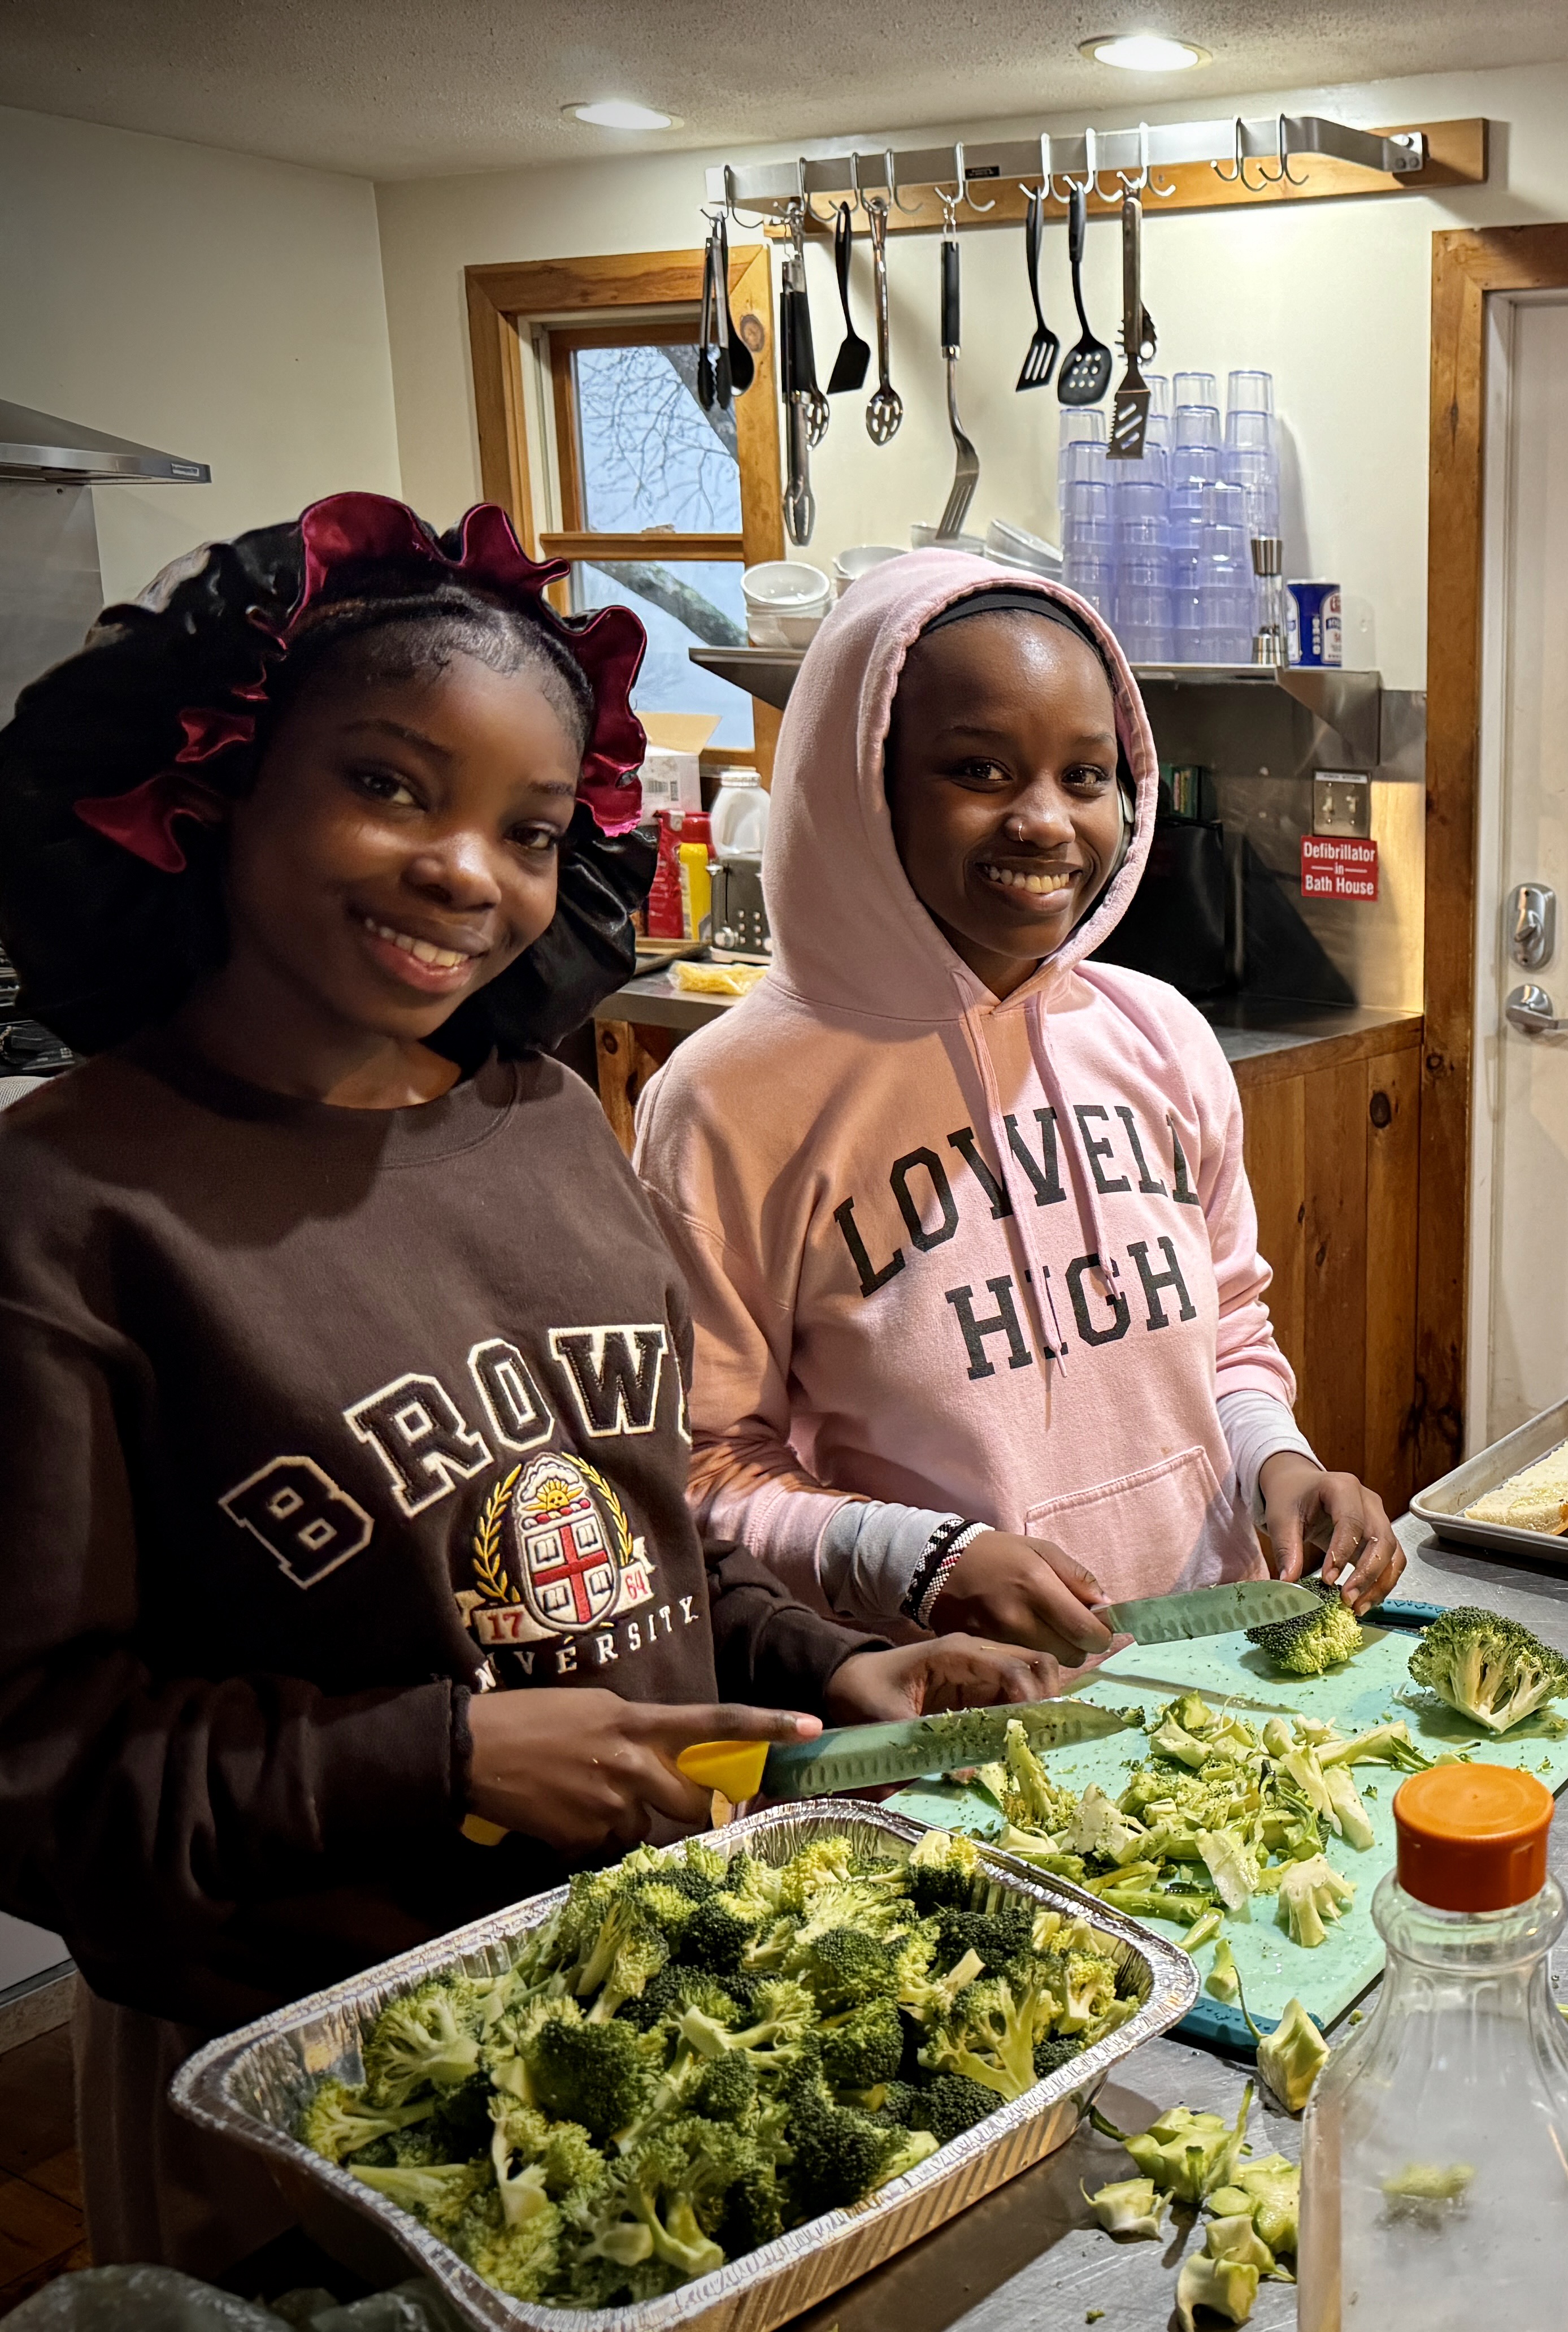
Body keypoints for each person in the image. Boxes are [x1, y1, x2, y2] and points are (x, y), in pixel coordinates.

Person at [0, 495, 1050, 2276]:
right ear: (221, 783)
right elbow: (35, 1761)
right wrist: (442, 1756)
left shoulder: (550, 1122)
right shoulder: (74, 1204)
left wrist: (819, 1661)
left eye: (530, 827)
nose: (466, 870)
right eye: (390, 785)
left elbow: (627, 1544)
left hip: (647, 1977)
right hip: (310, 2083)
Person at [632, 556, 1399, 1670]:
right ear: (864, 780)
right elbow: (703, 1467)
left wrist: (1280, 1462)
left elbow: (1231, 1337)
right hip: (952, 1711)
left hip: (1213, 1667)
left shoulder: (1162, 1038)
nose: (1046, 820)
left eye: (1086, 774)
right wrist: (925, 1559)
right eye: (979, 768)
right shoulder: (725, 1102)